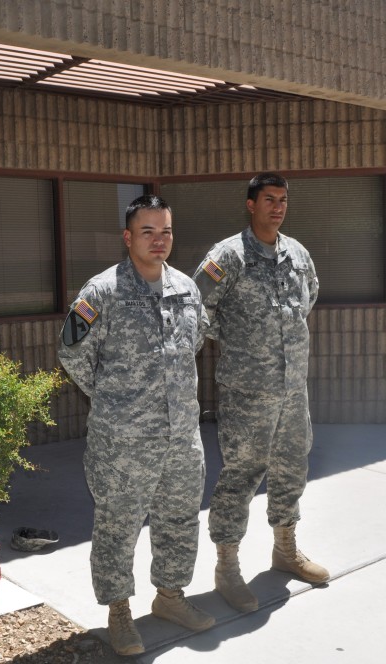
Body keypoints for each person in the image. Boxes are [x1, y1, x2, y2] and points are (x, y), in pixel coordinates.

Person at [58, 195, 213, 656]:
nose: (158, 240)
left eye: (165, 231)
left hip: (182, 436)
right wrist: (114, 401)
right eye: (148, 231)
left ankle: (170, 597)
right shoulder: (101, 292)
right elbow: (72, 354)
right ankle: (120, 613)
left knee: (179, 520)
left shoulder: (187, 287)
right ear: (128, 237)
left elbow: (195, 340)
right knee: (118, 526)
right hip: (122, 442)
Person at [192, 172, 329, 615]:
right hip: (247, 394)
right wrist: (243, 344)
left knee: (292, 470)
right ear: (251, 205)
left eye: (283, 200)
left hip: (292, 392)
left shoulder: (298, 253)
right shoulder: (227, 257)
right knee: (241, 477)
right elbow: (199, 312)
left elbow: (309, 297)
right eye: (269, 199)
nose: (277, 207)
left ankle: (285, 549)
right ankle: (227, 567)